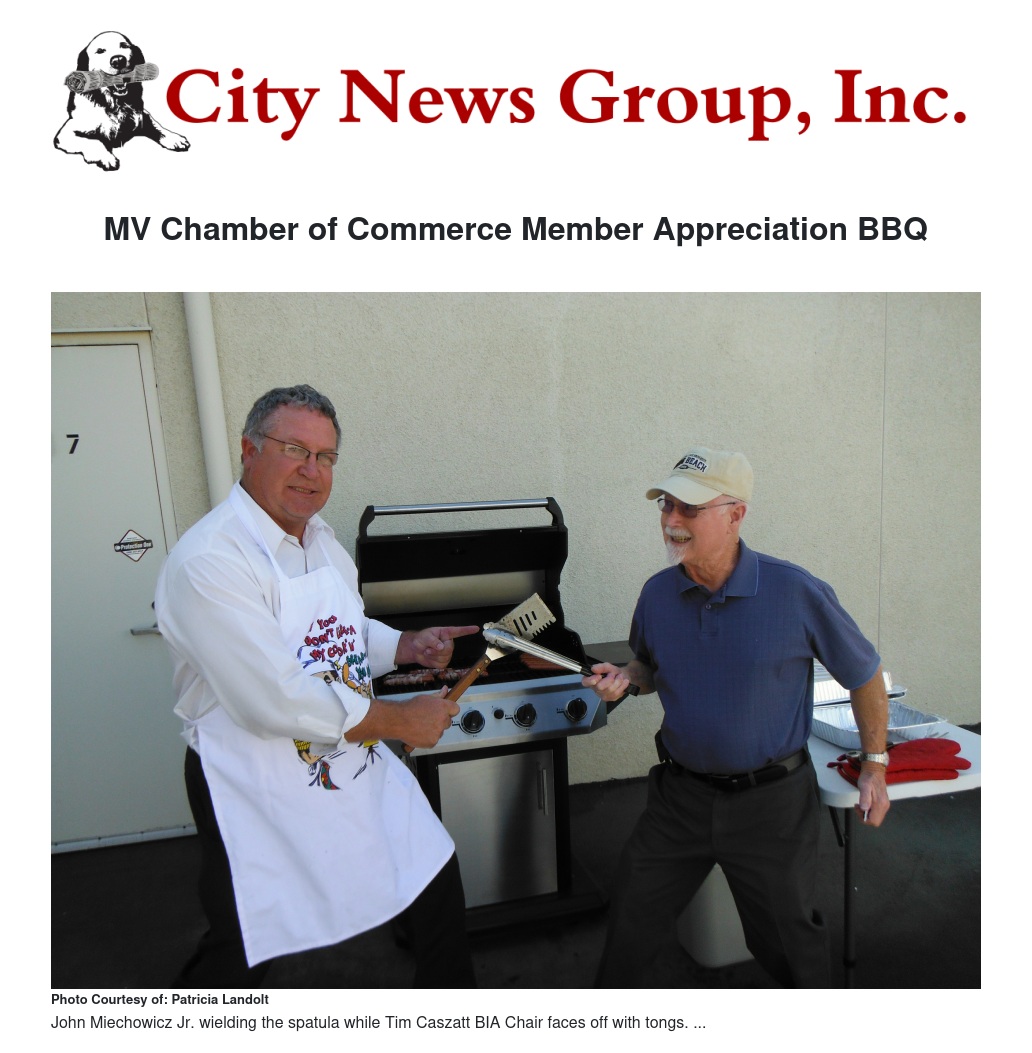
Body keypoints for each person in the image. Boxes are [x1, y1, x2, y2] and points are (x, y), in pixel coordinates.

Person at [155, 384, 479, 988]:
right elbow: (272, 698)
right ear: (249, 450)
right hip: (252, 778)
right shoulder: (211, 560)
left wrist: (404, 646)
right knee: (251, 936)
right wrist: (399, 720)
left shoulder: (321, 539)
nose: (312, 470)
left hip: (350, 758)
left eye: (326, 456)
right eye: (294, 450)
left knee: (430, 870)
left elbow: (342, 629)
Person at [582, 445, 890, 988]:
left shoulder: (794, 591)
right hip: (679, 800)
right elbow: (649, 666)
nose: (672, 521)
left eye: (690, 509)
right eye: (666, 505)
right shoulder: (657, 594)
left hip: (771, 806)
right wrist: (627, 678)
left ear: (736, 514)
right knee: (631, 921)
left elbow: (864, 674)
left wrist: (874, 765)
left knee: (787, 943)